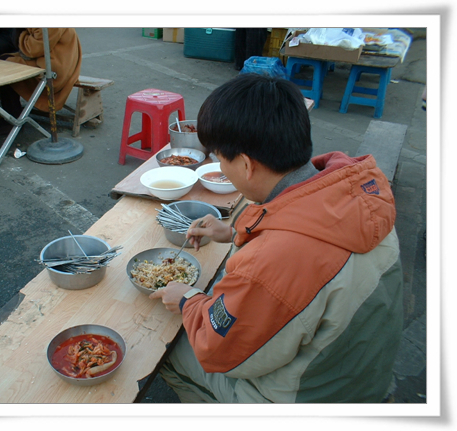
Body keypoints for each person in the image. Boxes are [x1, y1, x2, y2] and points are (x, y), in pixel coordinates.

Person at [149, 74, 404, 403]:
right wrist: (232, 230)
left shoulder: (271, 263)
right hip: (362, 376)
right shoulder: (361, 193)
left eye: (220, 160)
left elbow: (219, 352)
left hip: (310, 398)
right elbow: (302, 223)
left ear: (244, 164)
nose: (221, 169)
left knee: (165, 348)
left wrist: (188, 301)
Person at [0, 28, 82, 129]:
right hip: (47, 59)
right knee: (4, 61)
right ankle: (9, 113)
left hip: (55, 68)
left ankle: (13, 117)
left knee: (6, 67)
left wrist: (19, 32)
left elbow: (32, 49)